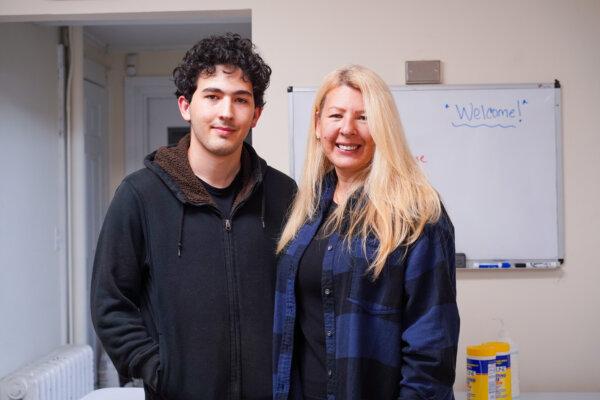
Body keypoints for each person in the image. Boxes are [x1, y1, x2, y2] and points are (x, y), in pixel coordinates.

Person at [91, 33, 296, 400]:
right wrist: (158, 369)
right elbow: (110, 303)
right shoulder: (140, 195)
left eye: (240, 100)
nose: (226, 112)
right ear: (186, 106)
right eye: (213, 96)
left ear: (256, 114)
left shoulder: (284, 195)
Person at [272, 65, 459, 400]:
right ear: (318, 125)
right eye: (336, 115)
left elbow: (431, 348)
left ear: (383, 128)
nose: (347, 129)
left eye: (363, 117)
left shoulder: (416, 213)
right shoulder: (305, 212)